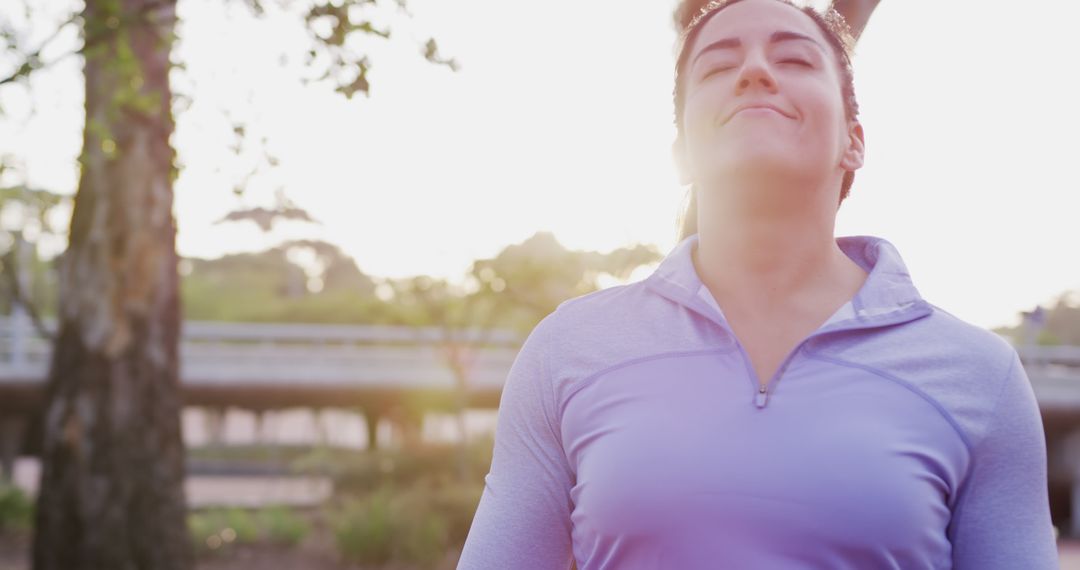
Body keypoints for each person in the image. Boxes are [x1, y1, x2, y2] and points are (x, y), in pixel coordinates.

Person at [457, 0, 1058, 568]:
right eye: (718, 64)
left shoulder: (980, 376)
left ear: (855, 141)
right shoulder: (566, 350)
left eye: (794, 58)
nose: (754, 71)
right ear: (682, 153)